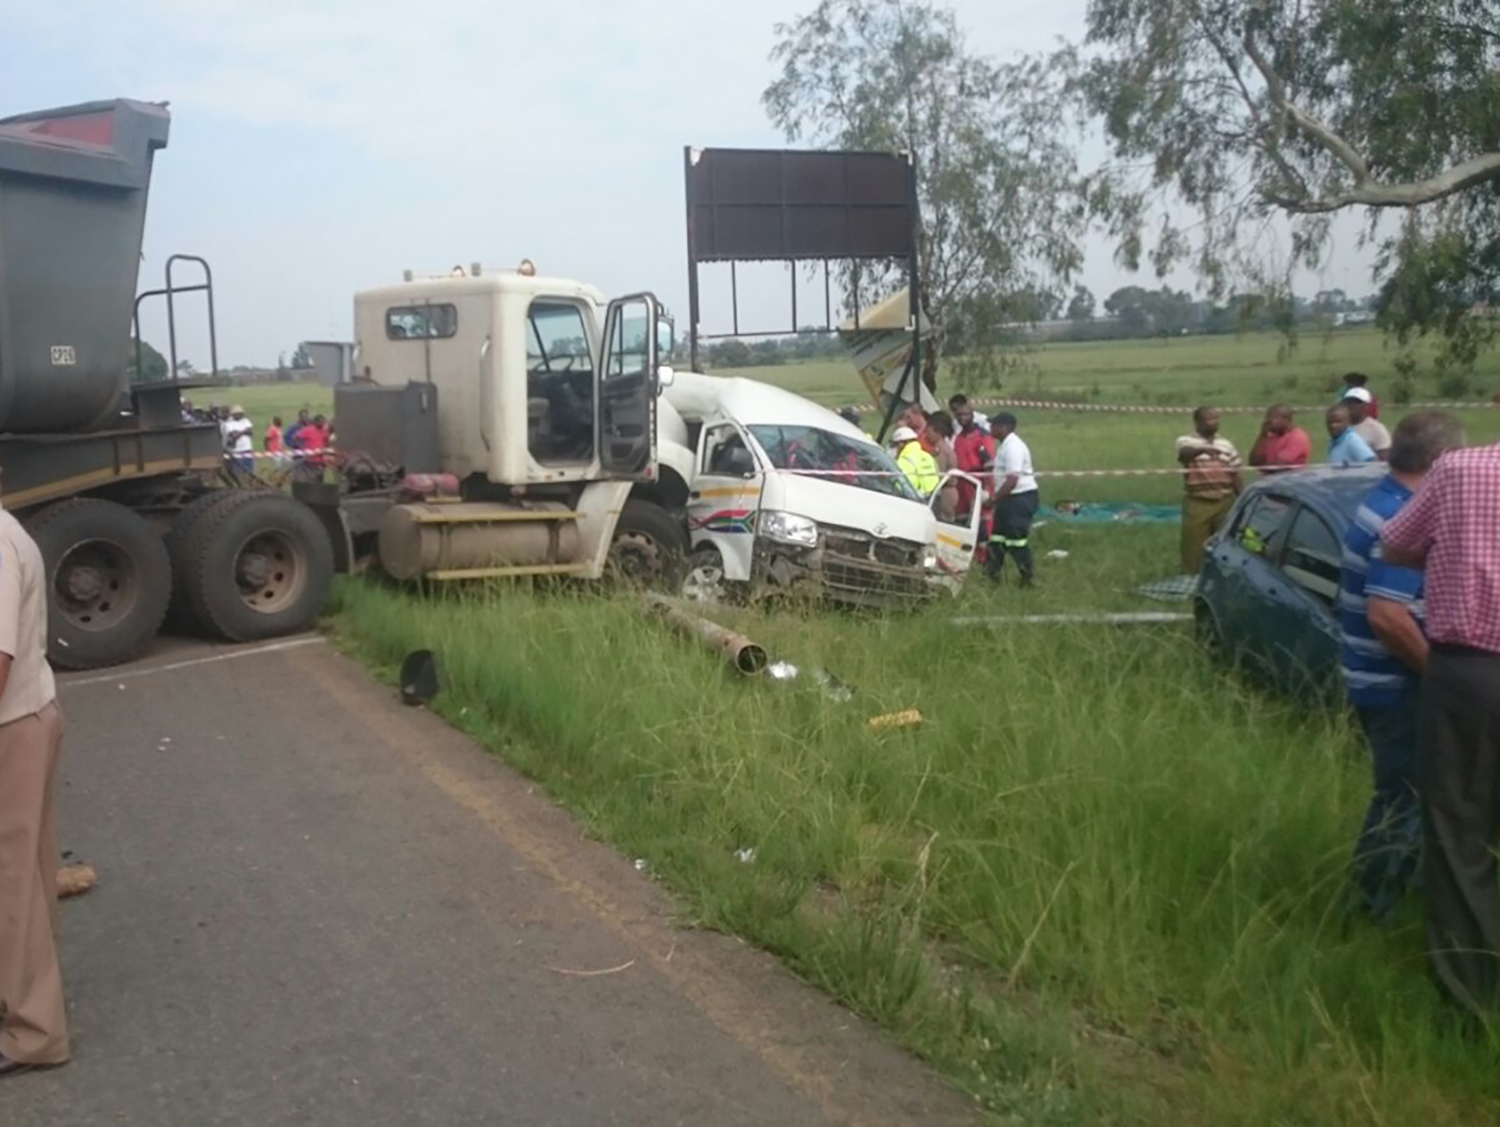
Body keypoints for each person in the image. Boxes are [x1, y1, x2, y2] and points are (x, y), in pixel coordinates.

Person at [1382, 436, 1500, 1017]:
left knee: (1459, 833)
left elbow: (1395, 543)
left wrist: (1451, 554)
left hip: (1470, 674)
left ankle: (1471, 1007)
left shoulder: (1459, 470)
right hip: (1471, 671)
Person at [1338, 412, 1466, 919]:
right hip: (1398, 686)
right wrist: (1442, 677)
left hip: (1380, 680)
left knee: (1405, 795)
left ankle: (1388, 899)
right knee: (1403, 799)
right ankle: (1373, 910)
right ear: (1442, 461)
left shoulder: (1385, 499)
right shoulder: (1406, 515)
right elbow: (1387, 615)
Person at [0, 486, 68, 1077]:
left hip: (11, 725)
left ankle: (33, 1035)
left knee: (12, 886)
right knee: (28, 878)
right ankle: (22, 999)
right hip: (26, 715)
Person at [1176, 406, 1242, 574]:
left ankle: (1219, 576)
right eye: (1209, 419)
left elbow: (1234, 473)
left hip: (1225, 500)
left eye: (1216, 418)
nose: (1214, 423)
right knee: (1193, 544)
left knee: (1224, 542)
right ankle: (1192, 577)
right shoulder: (1186, 441)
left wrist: (1242, 498)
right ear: (1197, 422)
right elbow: (1184, 455)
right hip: (1198, 502)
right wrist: (1202, 450)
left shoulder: (1226, 444)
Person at [987, 412, 1038, 586]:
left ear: (1004, 427)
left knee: (1016, 541)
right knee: (997, 539)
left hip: (1018, 498)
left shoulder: (1013, 447)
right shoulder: (1005, 445)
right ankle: (992, 576)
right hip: (1008, 499)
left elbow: (1012, 480)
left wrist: (993, 499)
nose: (991, 428)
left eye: (994, 425)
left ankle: (1027, 578)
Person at [952, 399, 996, 518]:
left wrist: (986, 489)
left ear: (972, 415)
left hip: (977, 483)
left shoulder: (982, 436)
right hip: (962, 485)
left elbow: (989, 465)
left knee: (981, 518)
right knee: (963, 518)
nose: (962, 418)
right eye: (959, 415)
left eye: (965, 414)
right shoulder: (958, 438)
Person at [1248, 404, 1312, 474]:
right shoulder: (1271, 436)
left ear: (1285, 420)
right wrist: (1262, 435)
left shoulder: (1297, 437)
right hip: (1270, 477)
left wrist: (1263, 467)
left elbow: (1278, 466)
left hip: (1290, 478)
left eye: (1272, 419)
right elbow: (1254, 462)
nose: (1268, 423)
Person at [926, 412, 960, 521]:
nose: (926, 435)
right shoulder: (943, 448)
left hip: (945, 495)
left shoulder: (941, 451)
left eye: (928, 432)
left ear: (938, 432)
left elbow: (938, 474)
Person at [1342, 387, 1392, 459]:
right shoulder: (1341, 427)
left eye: (1357, 402)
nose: (1351, 405)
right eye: (1348, 401)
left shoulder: (1376, 429)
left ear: (1366, 406)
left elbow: (1384, 459)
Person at [892, 424, 939, 496]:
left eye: (895, 445)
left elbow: (901, 487)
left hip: (910, 498)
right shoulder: (928, 457)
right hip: (930, 498)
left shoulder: (904, 461)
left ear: (901, 444)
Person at [222, 405, 254, 476]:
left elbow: (250, 432)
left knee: (249, 469)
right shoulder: (228, 424)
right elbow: (232, 436)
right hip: (237, 450)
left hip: (247, 449)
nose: (240, 415)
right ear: (233, 414)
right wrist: (244, 431)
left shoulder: (246, 421)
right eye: (238, 414)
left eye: (241, 414)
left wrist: (239, 433)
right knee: (237, 470)